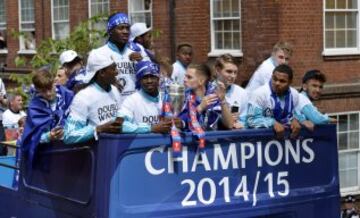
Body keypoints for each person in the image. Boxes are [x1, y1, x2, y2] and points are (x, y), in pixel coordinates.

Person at [64, 49, 124, 144]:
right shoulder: (83, 97)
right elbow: (69, 136)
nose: (117, 72)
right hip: (96, 154)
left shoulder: (114, 90)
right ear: (102, 73)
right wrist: (98, 129)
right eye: (113, 68)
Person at [20, 67, 74, 166]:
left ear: (54, 82)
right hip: (47, 158)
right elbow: (29, 140)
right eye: (43, 91)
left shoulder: (68, 96)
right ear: (37, 90)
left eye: (50, 89)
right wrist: (48, 136)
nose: (48, 94)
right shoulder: (34, 107)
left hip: (70, 152)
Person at [118, 60, 180, 133]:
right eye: (145, 77)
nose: (149, 81)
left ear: (158, 79)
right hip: (143, 143)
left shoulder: (166, 97)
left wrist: (180, 123)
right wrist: (150, 128)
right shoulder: (131, 100)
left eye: (152, 77)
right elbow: (119, 125)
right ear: (139, 80)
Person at [247, 64, 301, 139]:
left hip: (286, 141)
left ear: (290, 82)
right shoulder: (259, 94)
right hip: (261, 142)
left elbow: (298, 114)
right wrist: (272, 123)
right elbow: (251, 120)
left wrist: (295, 120)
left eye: (282, 81)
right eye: (274, 79)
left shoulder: (294, 94)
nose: (277, 83)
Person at [95, 12, 140, 97]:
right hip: (110, 104)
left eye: (127, 28)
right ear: (110, 31)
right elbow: (89, 83)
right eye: (121, 28)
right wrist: (107, 80)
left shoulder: (136, 52)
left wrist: (142, 63)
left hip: (132, 106)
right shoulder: (100, 54)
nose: (125, 32)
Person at [178, 63, 233, 131]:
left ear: (201, 81)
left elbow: (229, 124)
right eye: (185, 76)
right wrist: (200, 108)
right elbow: (180, 123)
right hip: (189, 139)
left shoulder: (214, 95)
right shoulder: (183, 96)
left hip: (211, 139)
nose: (184, 80)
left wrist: (222, 100)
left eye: (189, 77)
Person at [214, 54, 248, 129]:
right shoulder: (207, 90)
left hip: (233, 138)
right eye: (229, 72)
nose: (233, 76)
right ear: (218, 70)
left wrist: (241, 124)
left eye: (235, 72)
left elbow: (246, 120)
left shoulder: (242, 92)